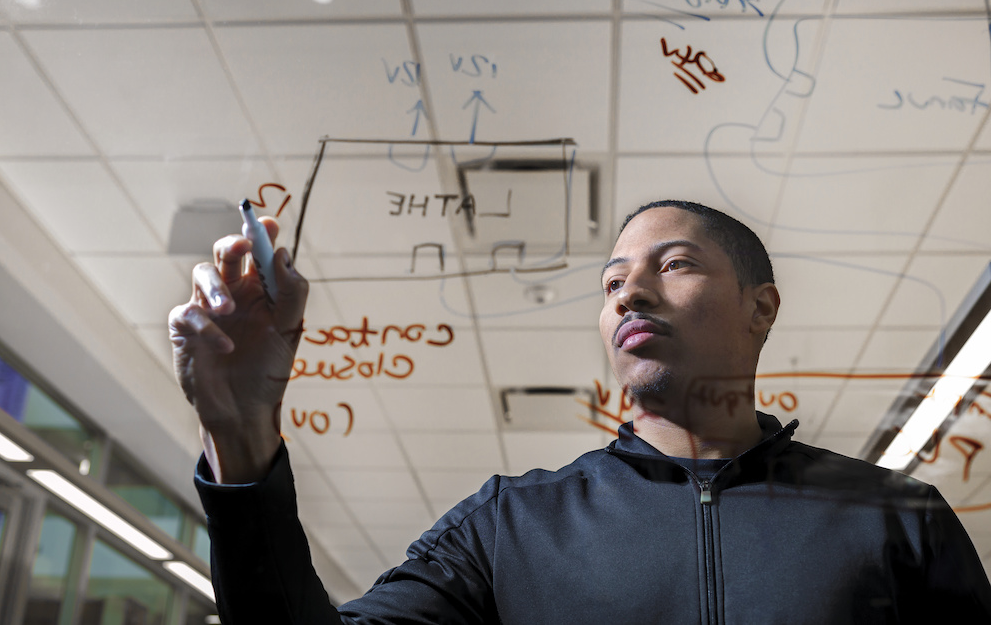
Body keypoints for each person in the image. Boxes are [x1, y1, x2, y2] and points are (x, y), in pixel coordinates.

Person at [170, 200, 991, 623]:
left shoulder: (894, 518)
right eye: (610, 284)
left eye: (673, 264)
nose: (630, 290)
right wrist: (240, 438)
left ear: (760, 306)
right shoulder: (506, 526)